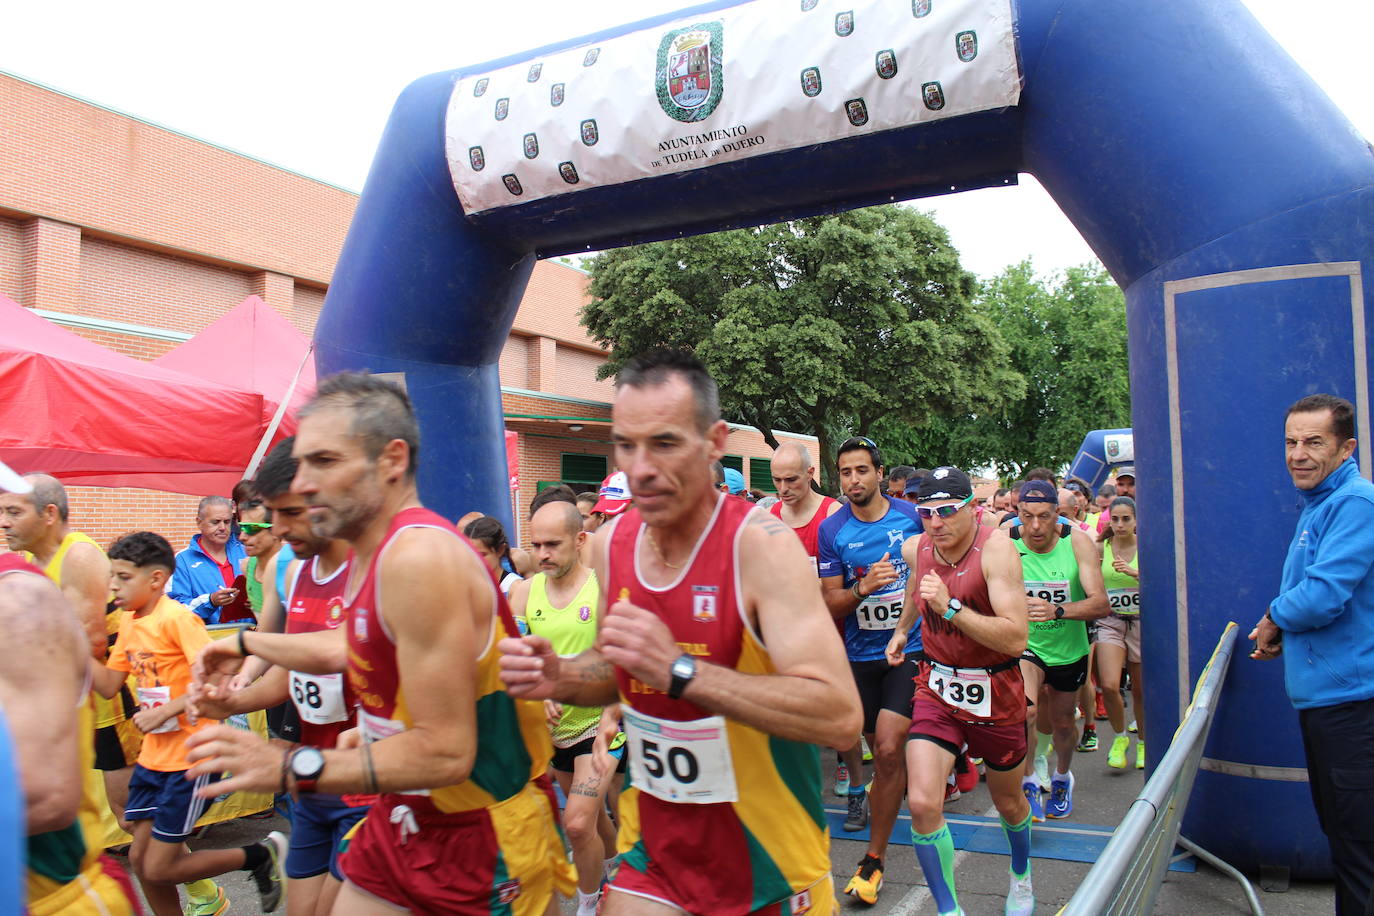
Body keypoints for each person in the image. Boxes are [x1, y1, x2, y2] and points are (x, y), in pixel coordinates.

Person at [184, 371, 574, 915]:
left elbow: (446, 752)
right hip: (403, 814)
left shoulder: (419, 558)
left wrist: (292, 765)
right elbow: (352, 646)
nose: (307, 483)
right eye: (303, 465)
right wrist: (253, 649)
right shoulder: (370, 554)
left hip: (480, 831)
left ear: (391, 461)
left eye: (325, 462)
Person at [500, 349, 862, 916]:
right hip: (657, 851)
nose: (640, 467)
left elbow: (839, 716)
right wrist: (562, 676)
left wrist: (680, 672)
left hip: (767, 860)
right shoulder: (614, 545)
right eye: (626, 445)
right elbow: (620, 671)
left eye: (664, 443)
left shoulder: (760, 548)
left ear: (714, 441)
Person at [189, 438, 365, 916]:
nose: (277, 528)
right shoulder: (299, 574)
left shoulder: (372, 570)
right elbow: (292, 671)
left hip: (367, 784)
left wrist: (247, 643)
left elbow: (342, 651)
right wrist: (226, 703)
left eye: (288, 512)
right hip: (311, 786)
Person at [88, 531, 284, 916]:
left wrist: (164, 711)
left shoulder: (178, 621)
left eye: (123, 577)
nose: (113, 586)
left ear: (157, 579)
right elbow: (109, 685)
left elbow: (212, 685)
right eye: (112, 576)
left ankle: (258, 855)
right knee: (144, 862)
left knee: (159, 864)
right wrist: (70, 644)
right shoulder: (129, 621)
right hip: (152, 759)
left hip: (191, 759)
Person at [886, 466, 1034, 916]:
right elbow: (918, 587)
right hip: (937, 686)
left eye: (947, 511)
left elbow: (1015, 638)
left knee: (1008, 802)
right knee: (923, 801)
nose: (936, 522)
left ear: (971, 507)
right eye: (926, 512)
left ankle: (1022, 876)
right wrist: (901, 630)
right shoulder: (917, 548)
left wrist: (949, 608)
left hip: (996, 688)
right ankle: (950, 910)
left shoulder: (998, 551)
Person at [1250, 393, 1374, 915]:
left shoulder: (1354, 503)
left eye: (1313, 442)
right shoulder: (1320, 504)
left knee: (1360, 850)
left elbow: (1323, 595)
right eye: (1291, 442)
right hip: (1327, 702)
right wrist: (1286, 629)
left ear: (1345, 448)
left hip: (1354, 706)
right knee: (1346, 838)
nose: (1298, 454)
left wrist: (1276, 617)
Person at [2, 542, 138, 915]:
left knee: (131, 817)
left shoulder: (21, 595)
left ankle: (199, 885)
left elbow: (49, 801)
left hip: (57, 897)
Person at [817, 435, 924, 904]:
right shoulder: (833, 530)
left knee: (886, 747)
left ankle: (873, 858)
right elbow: (831, 602)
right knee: (857, 742)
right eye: (845, 472)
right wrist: (863, 587)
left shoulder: (911, 518)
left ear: (881, 474)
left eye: (862, 470)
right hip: (859, 657)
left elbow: (929, 573)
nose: (853, 480)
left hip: (907, 650)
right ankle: (892, 791)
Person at [509, 501, 617, 916]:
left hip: (598, 728)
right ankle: (610, 875)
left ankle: (588, 904)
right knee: (592, 823)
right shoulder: (523, 592)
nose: (542, 554)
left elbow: (615, 661)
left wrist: (571, 684)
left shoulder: (601, 588)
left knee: (575, 823)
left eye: (552, 544)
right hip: (551, 732)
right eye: (535, 545)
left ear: (580, 540)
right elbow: (518, 660)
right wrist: (542, 687)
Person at [1012, 480, 1109, 821]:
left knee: (1064, 723)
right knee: (1026, 713)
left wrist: (1058, 610)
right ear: (1017, 513)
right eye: (1027, 516)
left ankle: (1062, 776)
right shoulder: (1007, 542)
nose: (1035, 526)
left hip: (1069, 648)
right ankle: (1027, 780)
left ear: (1058, 514)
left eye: (1044, 516)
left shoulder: (1077, 542)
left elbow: (1101, 604)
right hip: (1029, 646)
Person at [768, 441, 845, 791]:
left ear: (810, 474)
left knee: (838, 709)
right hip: (790, 632)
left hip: (834, 629)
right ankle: (801, 782)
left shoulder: (831, 514)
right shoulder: (769, 519)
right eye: (777, 480)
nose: (783, 489)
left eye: (792, 480)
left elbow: (841, 580)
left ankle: (849, 768)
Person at [1096, 495, 1144, 770]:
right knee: (1111, 685)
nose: (1120, 524)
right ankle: (1119, 737)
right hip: (1111, 621)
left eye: (1126, 519)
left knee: (1139, 690)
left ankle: (1143, 743)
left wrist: (1135, 573)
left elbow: (1164, 580)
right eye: (1115, 519)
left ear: (1136, 520)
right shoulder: (1101, 546)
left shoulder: (1145, 546)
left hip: (1140, 622)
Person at [169, 496, 247, 624]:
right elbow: (175, 611)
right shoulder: (182, 560)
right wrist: (210, 601)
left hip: (247, 638)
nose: (222, 527)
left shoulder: (246, 552)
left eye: (227, 522)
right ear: (199, 522)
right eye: (215, 522)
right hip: (208, 640)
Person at [239, 502, 282, 620]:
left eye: (251, 528)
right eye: (242, 527)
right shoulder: (247, 566)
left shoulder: (295, 569)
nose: (242, 537)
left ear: (276, 530)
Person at [464, 515, 524, 596]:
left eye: (482, 555)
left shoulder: (515, 588)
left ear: (500, 550)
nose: (475, 561)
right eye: (470, 555)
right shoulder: (469, 587)